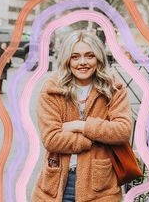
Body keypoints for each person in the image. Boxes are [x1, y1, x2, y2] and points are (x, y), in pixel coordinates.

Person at [32, 30, 132, 202]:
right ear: (67, 60)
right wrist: (92, 138)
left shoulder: (113, 88)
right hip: (57, 184)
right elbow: (51, 138)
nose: (83, 62)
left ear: (98, 58)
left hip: (100, 185)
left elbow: (123, 131)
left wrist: (80, 125)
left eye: (89, 55)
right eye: (75, 57)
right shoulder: (51, 89)